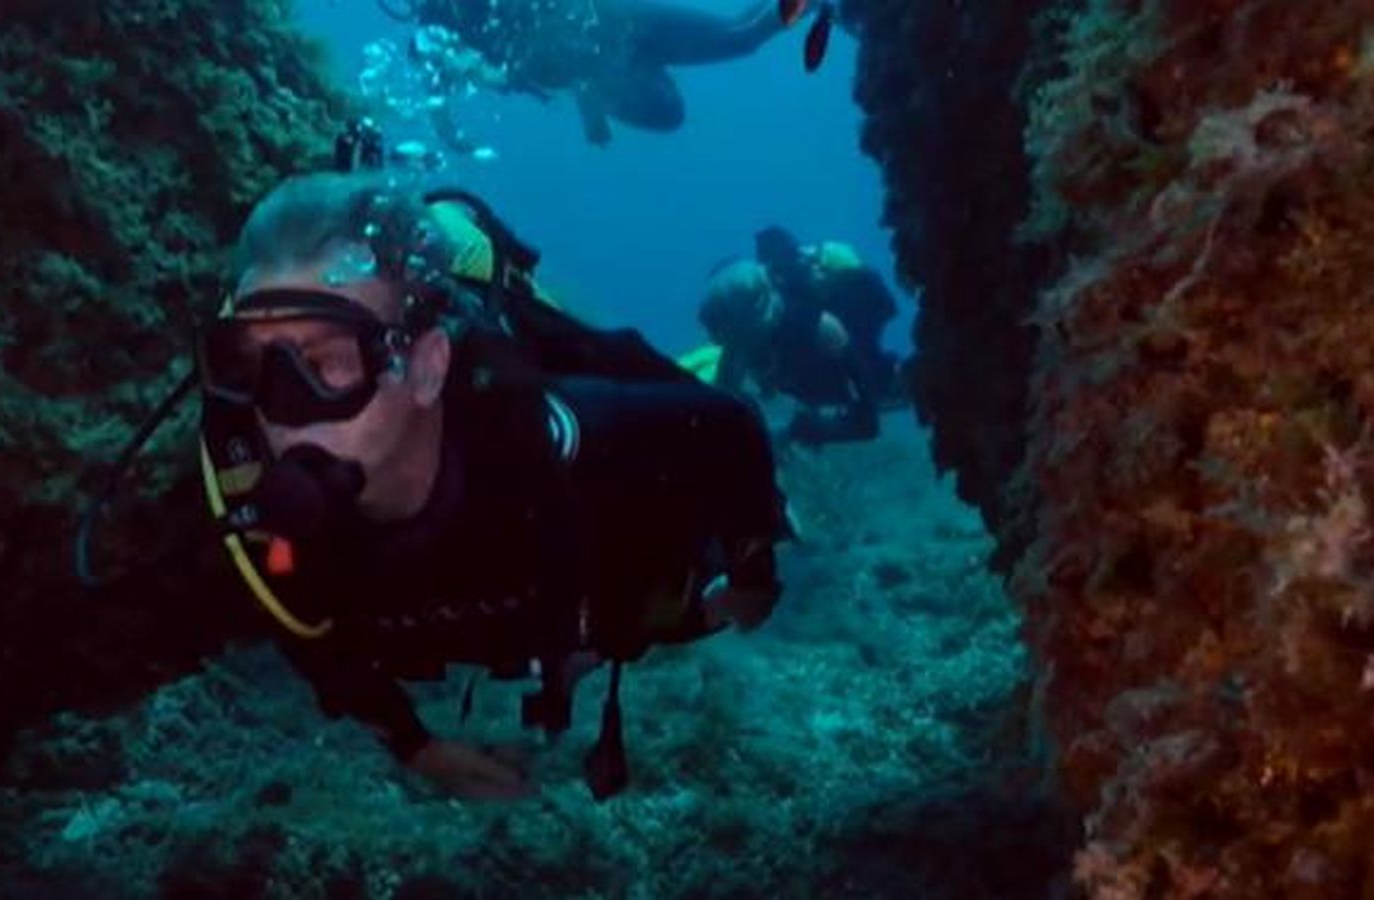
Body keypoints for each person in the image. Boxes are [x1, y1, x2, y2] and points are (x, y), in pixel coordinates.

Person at [187, 170, 793, 802]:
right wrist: (414, 746)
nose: (281, 409)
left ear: (427, 368)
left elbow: (730, 425)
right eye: (252, 363)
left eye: (331, 361)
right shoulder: (241, 467)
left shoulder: (546, 436)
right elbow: (301, 627)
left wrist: (752, 570)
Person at [377, 0, 790, 145]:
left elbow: (440, 98)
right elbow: (437, 98)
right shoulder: (435, 30)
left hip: (616, 29)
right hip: (607, 49)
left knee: (743, 36)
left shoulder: (440, 29)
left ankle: (826, 7)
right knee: (674, 110)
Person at [695, 226, 903, 447]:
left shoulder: (812, 325)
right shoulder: (739, 344)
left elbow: (867, 424)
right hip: (811, 375)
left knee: (882, 382)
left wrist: (803, 431)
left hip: (842, 360)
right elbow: (724, 404)